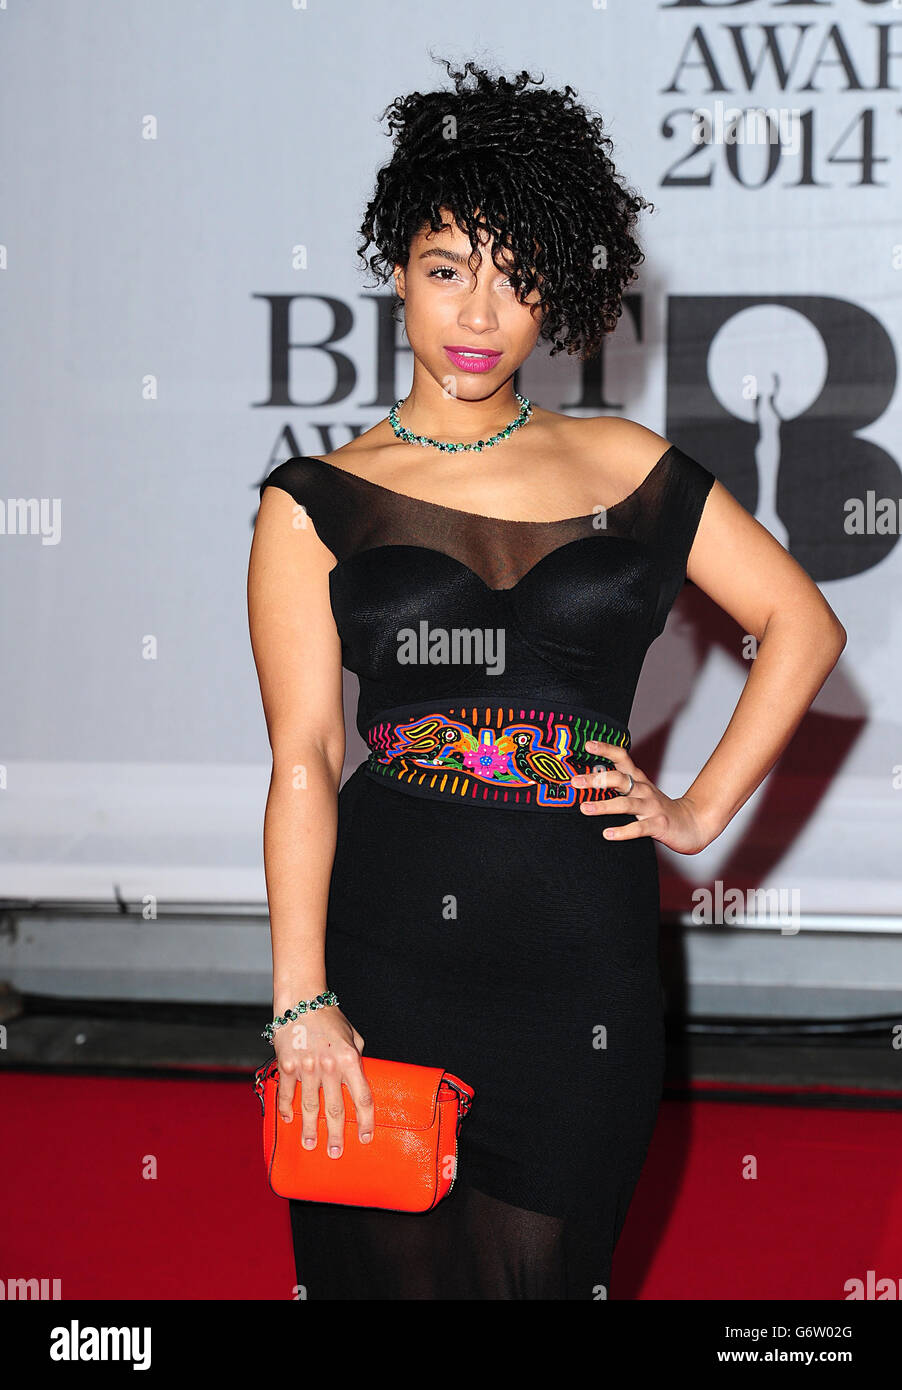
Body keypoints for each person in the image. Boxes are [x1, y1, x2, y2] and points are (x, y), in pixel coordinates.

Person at [247, 58, 846, 1300]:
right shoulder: (310, 502)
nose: (477, 314)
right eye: (447, 267)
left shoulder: (624, 462)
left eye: (517, 279)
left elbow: (800, 625)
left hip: (584, 958)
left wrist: (693, 813)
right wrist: (299, 995)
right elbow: (302, 755)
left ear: (554, 297)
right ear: (397, 270)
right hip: (390, 939)